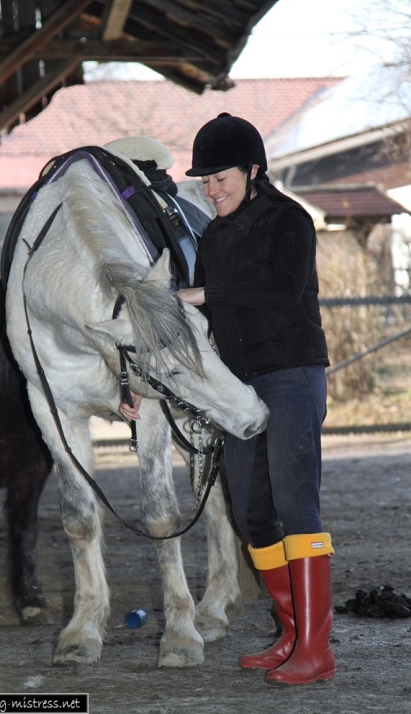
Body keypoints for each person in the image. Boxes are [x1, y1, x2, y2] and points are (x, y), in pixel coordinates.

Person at [119, 113, 335, 686]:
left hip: (291, 373)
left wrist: (207, 291)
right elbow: (195, 330)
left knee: (295, 506)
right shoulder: (213, 236)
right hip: (236, 388)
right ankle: (289, 635)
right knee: (251, 513)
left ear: (253, 170)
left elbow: (285, 291)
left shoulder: (290, 220)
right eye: (205, 181)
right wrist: (138, 385)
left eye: (221, 178)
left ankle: (317, 651)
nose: (212, 190)